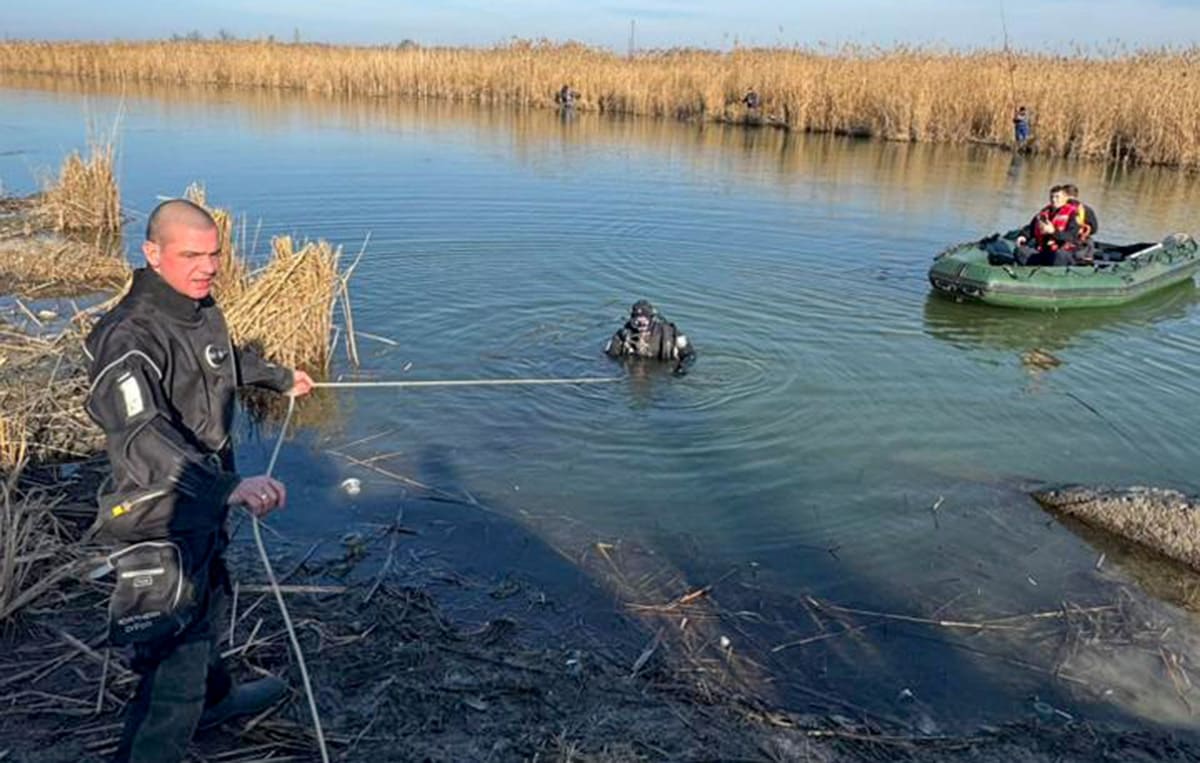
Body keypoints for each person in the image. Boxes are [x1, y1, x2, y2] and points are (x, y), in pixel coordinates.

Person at [84, 199, 315, 763]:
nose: (208, 266)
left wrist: (279, 378)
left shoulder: (196, 308)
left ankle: (215, 700)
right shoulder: (128, 337)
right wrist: (224, 489)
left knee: (209, 598)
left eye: (214, 254)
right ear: (151, 254)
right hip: (156, 513)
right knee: (173, 664)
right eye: (191, 255)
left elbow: (218, 360)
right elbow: (142, 435)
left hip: (201, 506)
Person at [604, 299, 695, 374]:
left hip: (663, 373)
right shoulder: (623, 335)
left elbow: (690, 355)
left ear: (651, 319)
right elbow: (610, 357)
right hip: (633, 370)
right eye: (637, 322)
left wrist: (682, 368)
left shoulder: (670, 333)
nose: (640, 325)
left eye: (644, 321)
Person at [1015, 185, 1084, 266]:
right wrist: (1023, 236)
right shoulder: (1044, 212)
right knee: (1020, 251)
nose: (1054, 200)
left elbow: (1071, 236)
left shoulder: (1073, 214)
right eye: (1052, 197)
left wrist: (1053, 232)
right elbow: (1031, 228)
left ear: (1065, 198)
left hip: (1063, 253)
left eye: (1057, 197)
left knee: (1060, 255)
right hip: (1043, 251)